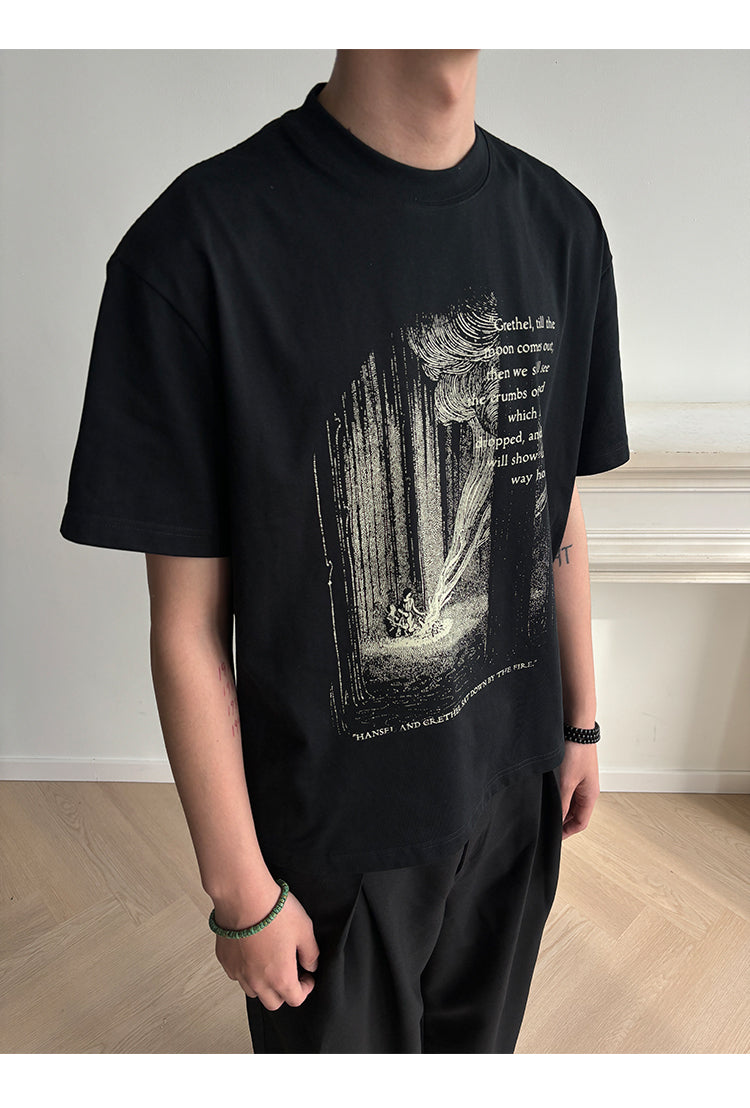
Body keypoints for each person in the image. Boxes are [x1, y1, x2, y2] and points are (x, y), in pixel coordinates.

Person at [60, 49, 629, 1053]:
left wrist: (578, 724)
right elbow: (186, 624)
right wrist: (240, 890)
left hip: (515, 789)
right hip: (333, 839)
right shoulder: (199, 248)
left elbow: (554, 504)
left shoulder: (564, 229)